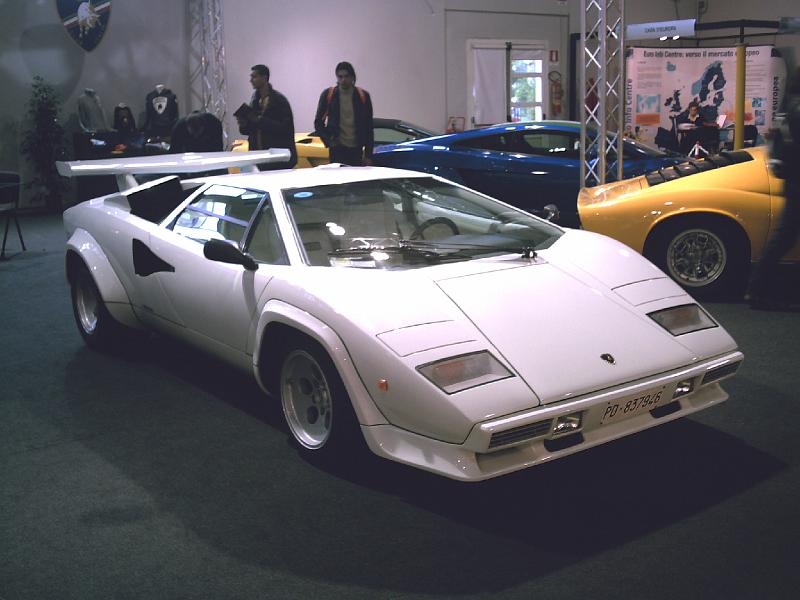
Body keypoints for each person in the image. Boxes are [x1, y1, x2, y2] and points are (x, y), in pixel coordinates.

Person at [746, 67, 800, 310]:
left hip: (792, 181)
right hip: (798, 181)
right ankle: (758, 289)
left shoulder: (788, 106)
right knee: (783, 238)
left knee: (783, 238)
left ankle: (757, 289)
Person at [236, 64, 297, 169]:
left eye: (254, 77)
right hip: (259, 157)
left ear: (264, 78)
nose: (251, 80)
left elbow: (286, 128)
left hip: (277, 158)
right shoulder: (254, 101)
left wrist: (260, 120)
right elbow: (251, 130)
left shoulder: (279, 100)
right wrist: (244, 124)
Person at [313, 61, 374, 166]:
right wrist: (329, 141)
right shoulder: (329, 94)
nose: (343, 80)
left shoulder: (362, 96)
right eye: (340, 77)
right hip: (337, 149)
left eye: (346, 76)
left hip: (356, 149)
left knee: (355, 176)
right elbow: (318, 122)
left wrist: (368, 154)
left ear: (352, 77)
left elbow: (369, 126)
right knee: (338, 175)